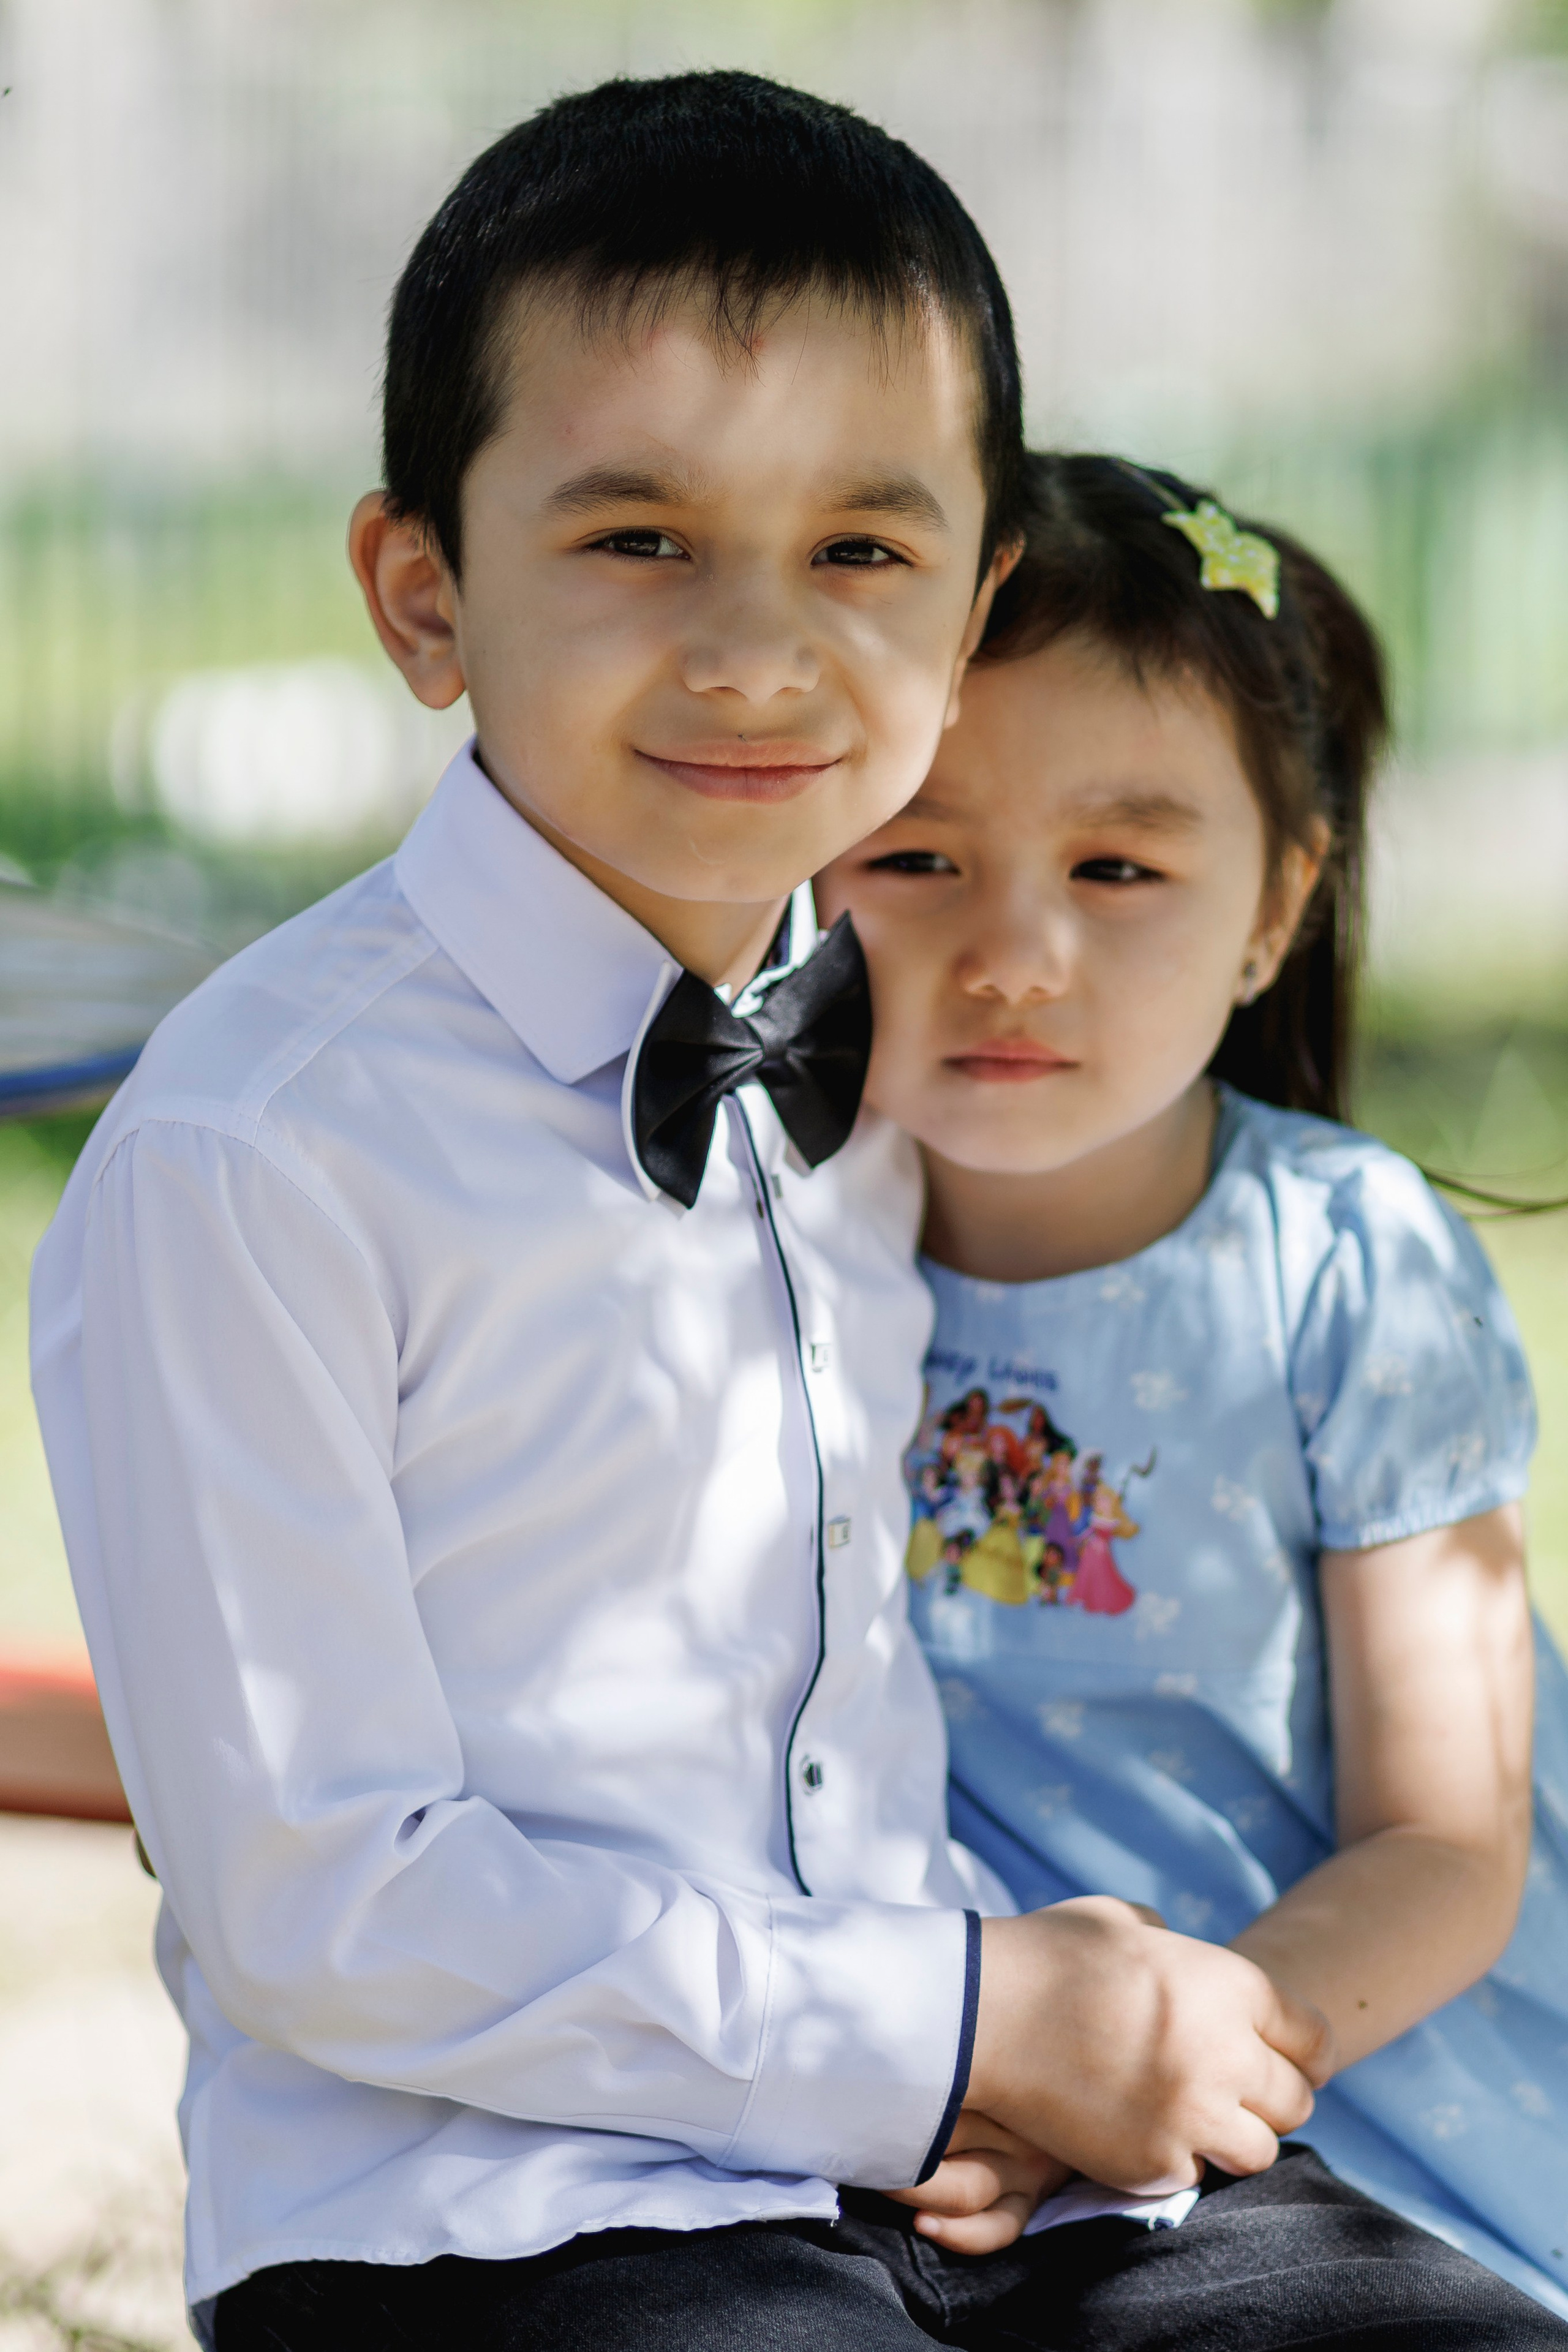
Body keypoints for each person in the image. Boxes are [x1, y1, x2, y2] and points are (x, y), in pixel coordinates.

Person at [28, 84, 1349, 2352]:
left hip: (988, 2184)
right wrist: (952, 2020)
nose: (761, 653)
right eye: (638, 539)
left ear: (978, 599)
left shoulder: (912, 1057)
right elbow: (317, 1893)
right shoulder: (259, 1153)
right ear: (422, 593)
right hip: (492, 2216)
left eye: (862, 550)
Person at [818, 448, 1568, 2323]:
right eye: (917, 855)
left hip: (1345, 2068)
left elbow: (1448, 1837)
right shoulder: (759, 1243)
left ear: (1273, 906)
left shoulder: (1346, 1265)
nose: (1013, 953)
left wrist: (1188, 2057)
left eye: (1120, 866)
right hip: (950, 2098)